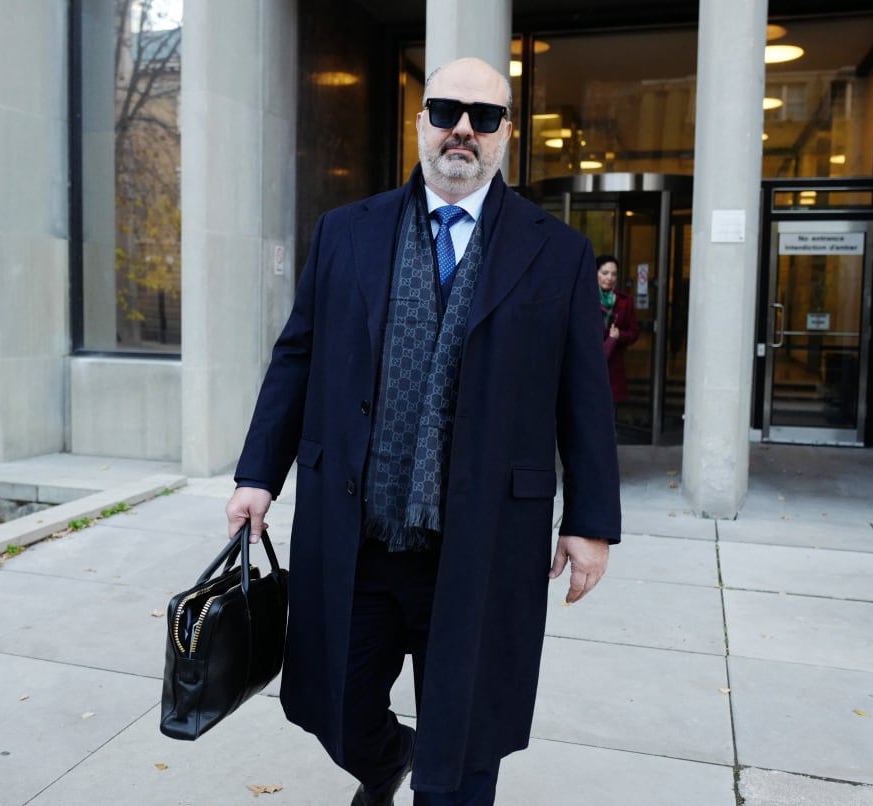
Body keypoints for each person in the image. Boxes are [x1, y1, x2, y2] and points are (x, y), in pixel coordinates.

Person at [225, 56, 621, 806]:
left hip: (484, 544)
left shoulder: (557, 251)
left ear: (506, 135)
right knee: (332, 710)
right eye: (445, 110)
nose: (462, 128)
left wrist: (592, 521)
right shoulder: (346, 232)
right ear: (420, 124)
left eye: (485, 115)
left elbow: (583, 397)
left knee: (466, 748)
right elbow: (297, 357)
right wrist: (257, 475)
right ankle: (384, 761)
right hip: (357, 535)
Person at [596, 254, 640, 404]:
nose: (609, 278)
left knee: (609, 413)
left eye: (614, 274)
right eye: (605, 273)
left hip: (612, 366)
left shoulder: (625, 301)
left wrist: (619, 335)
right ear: (595, 273)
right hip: (589, 361)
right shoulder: (585, 298)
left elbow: (634, 332)